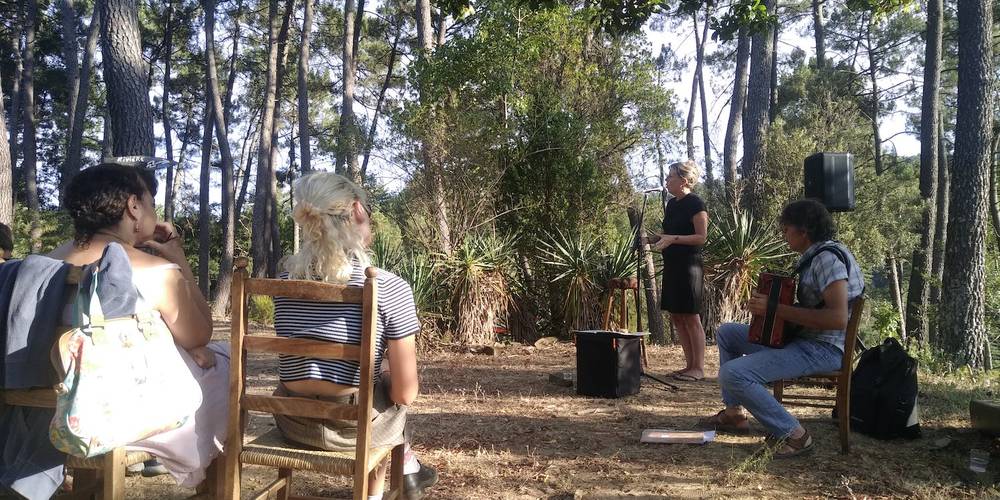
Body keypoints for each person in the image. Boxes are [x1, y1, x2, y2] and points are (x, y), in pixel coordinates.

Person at [48, 163, 229, 485]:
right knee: (224, 359)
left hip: (55, 401)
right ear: (133, 206)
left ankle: (90, 483)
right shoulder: (156, 271)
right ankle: (207, 482)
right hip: (121, 406)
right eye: (150, 203)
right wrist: (178, 258)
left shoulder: (44, 263)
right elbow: (199, 334)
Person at [272, 172, 437, 500]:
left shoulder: (283, 282)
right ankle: (387, 485)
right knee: (386, 394)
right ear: (358, 210)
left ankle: (409, 469)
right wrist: (386, 375)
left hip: (293, 423)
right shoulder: (387, 287)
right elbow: (406, 394)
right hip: (356, 432)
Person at [698, 199, 865, 458]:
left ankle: (796, 435)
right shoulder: (819, 256)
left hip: (823, 349)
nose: (784, 235)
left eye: (786, 229)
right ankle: (734, 414)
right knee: (728, 333)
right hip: (806, 339)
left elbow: (837, 318)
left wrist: (774, 308)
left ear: (803, 231)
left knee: (733, 374)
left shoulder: (827, 260)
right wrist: (771, 308)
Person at [651, 160, 708, 382]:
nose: (666, 180)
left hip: (689, 266)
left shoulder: (696, 203)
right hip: (672, 265)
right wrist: (651, 239)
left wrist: (672, 238)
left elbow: (701, 237)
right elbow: (669, 234)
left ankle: (699, 368)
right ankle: (688, 365)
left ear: (683, 181)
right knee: (677, 315)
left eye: (670, 177)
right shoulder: (672, 204)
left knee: (690, 316)